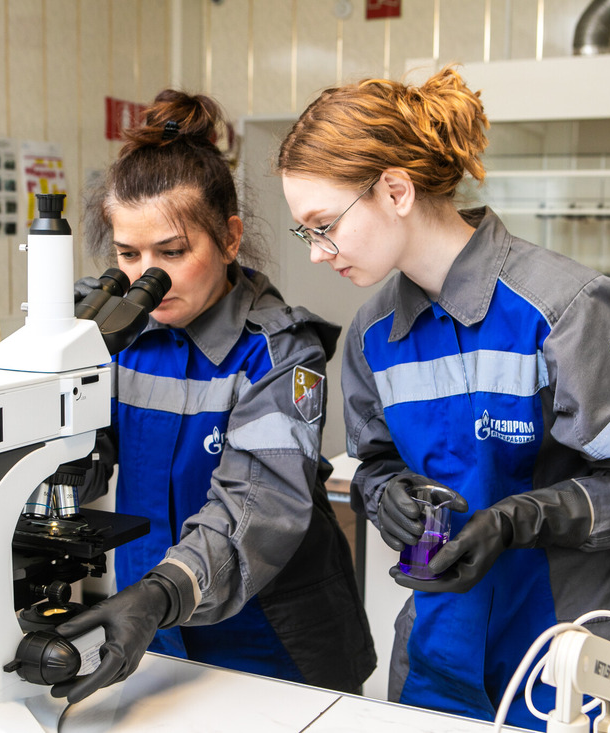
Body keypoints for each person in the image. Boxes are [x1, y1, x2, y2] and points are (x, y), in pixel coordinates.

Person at [277, 66, 610, 731]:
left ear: (394, 189)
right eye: (307, 232)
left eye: (323, 224)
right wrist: (386, 495)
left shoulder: (568, 310)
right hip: (438, 662)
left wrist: (520, 519)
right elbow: (377, 461)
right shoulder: (373, 335)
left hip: (572, 664)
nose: (316, 253)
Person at [50, 89, 375, 704]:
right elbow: (82, 462)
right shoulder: (113, 339)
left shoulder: (280, 353)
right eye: (128, 255)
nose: (151, 276)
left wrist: (160, 592)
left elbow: (259, 504)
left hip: (275, 640)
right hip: (153, 626)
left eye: (173, 252)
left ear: (229, 239)